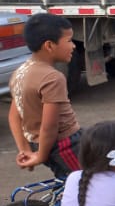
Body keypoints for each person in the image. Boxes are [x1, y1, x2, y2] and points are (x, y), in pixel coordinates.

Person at [7, 12, 82, 179]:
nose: (73, 46)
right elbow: (49, 127)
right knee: (89, 187)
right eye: (69, 41)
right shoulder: (53, 78)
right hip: (65, 144)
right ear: (49, 45)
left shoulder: (20, 72)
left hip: (41, 143)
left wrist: (25, 149)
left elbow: (14, 115)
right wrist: (40, 156)